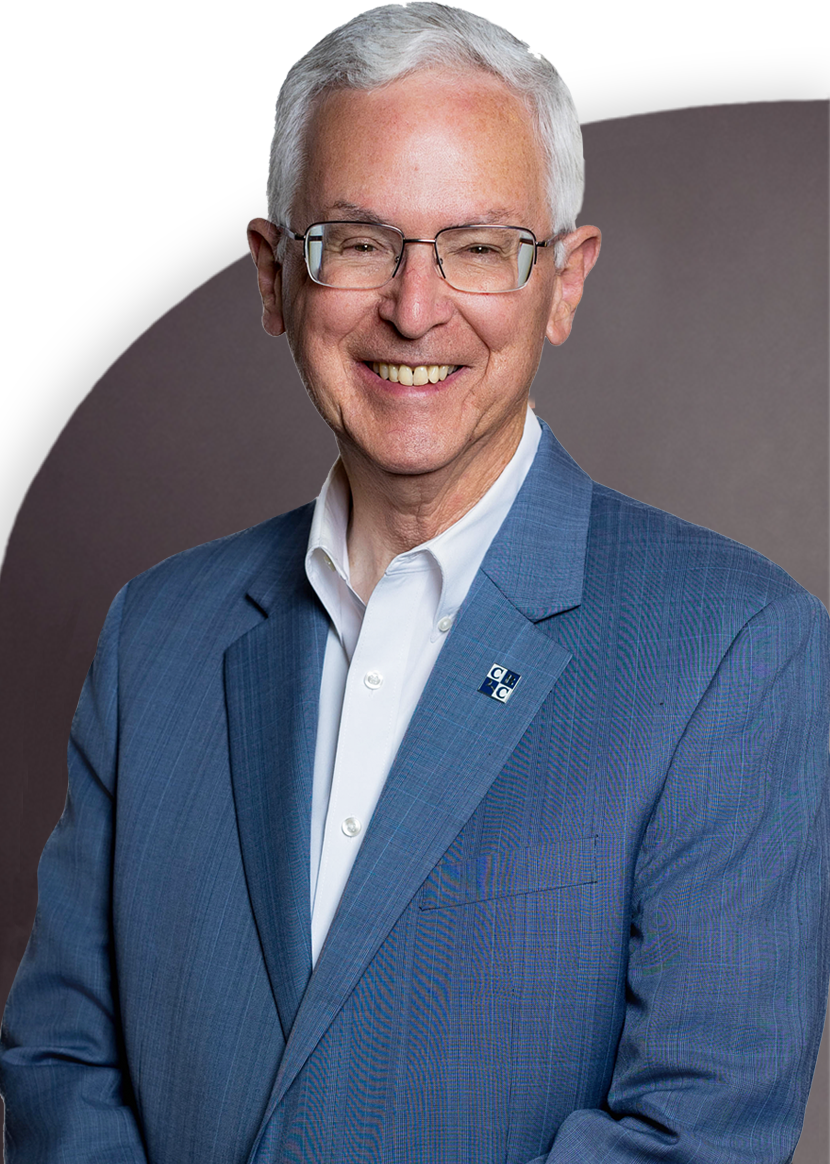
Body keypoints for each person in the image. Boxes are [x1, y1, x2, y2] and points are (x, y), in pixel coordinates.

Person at [1, 3, 828, 1160]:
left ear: (565, 278)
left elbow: (693, 1135)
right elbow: (61, 1065)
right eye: (358, 240)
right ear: (273, 275)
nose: (413, 306)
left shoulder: (733, 651)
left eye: (478, 245)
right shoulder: (157, 636)